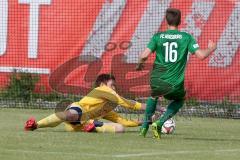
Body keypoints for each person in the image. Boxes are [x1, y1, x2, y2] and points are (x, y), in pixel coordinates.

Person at [136, 8, 217, 139]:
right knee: (179, 99)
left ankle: (144, 127)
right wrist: (211, 48)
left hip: (158, 79)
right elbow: (201, 56)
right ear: (180, 21)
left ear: (166, 20)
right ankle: (160, 123)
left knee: (153, 96)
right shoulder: (186, 37)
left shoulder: (158, 37)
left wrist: (139, 65)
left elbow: (144, 56)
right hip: (175, 82)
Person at [25, 73, 147, 133]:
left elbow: (123, 121)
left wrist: (145, 121)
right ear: (102, 85)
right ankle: (36, 125)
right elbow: (125, 102)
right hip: (77, 110)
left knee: (120, 129)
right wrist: (151, 107)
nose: (114, 88)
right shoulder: (101, 90)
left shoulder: (107, 108)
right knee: (72, 114)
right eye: (112, 85)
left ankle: (91, 128)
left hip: (76, 127)